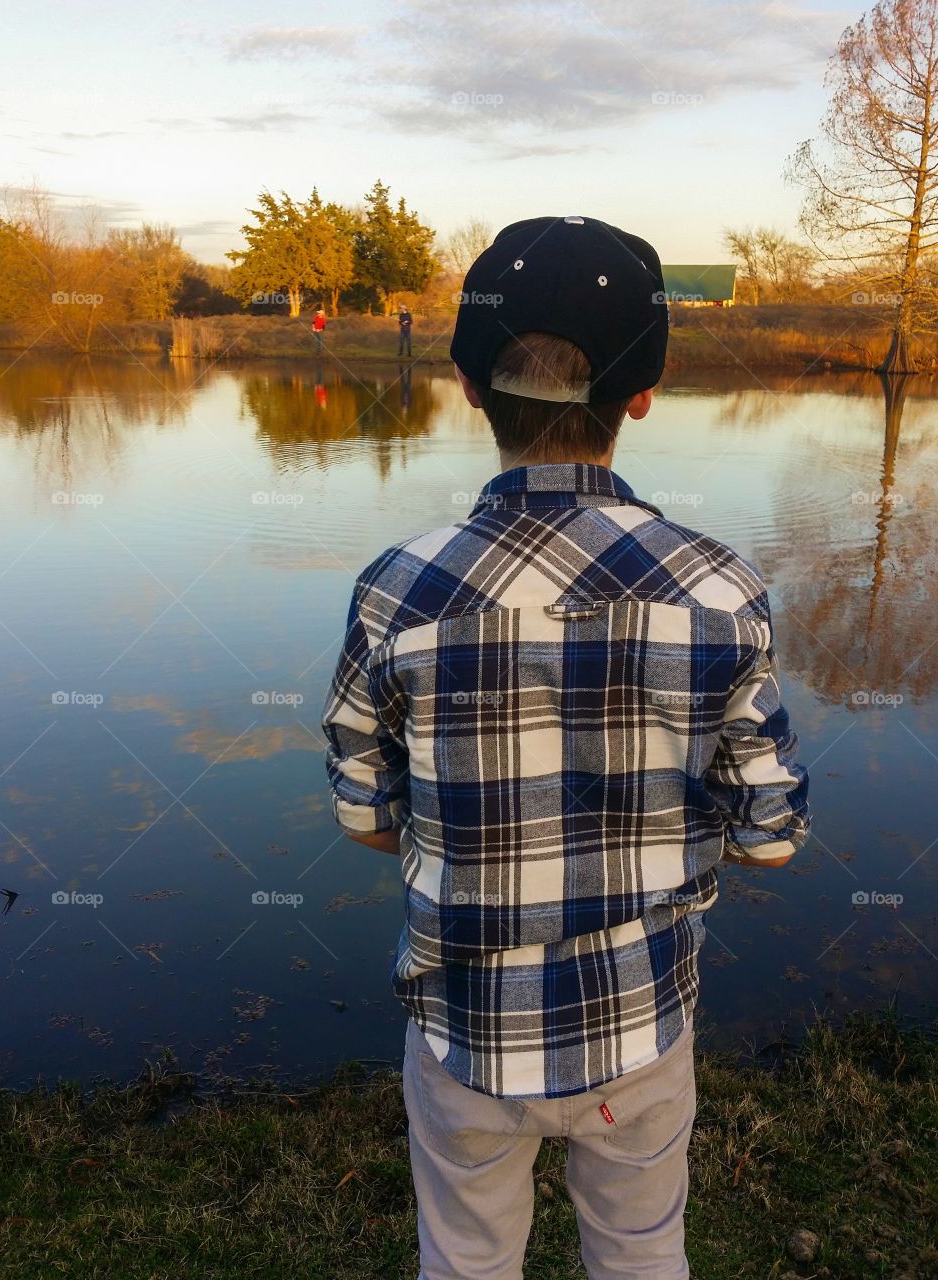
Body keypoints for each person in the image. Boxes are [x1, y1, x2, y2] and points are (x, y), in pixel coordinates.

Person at [322, 215, 810, 1280]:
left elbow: (363, 810)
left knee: (464, 1259)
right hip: (640, 1027)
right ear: (644, 392)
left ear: (461, 379)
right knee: (641, 1253)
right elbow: (773, 835)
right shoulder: (723, 588)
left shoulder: (396, 589)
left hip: (462, 1030)